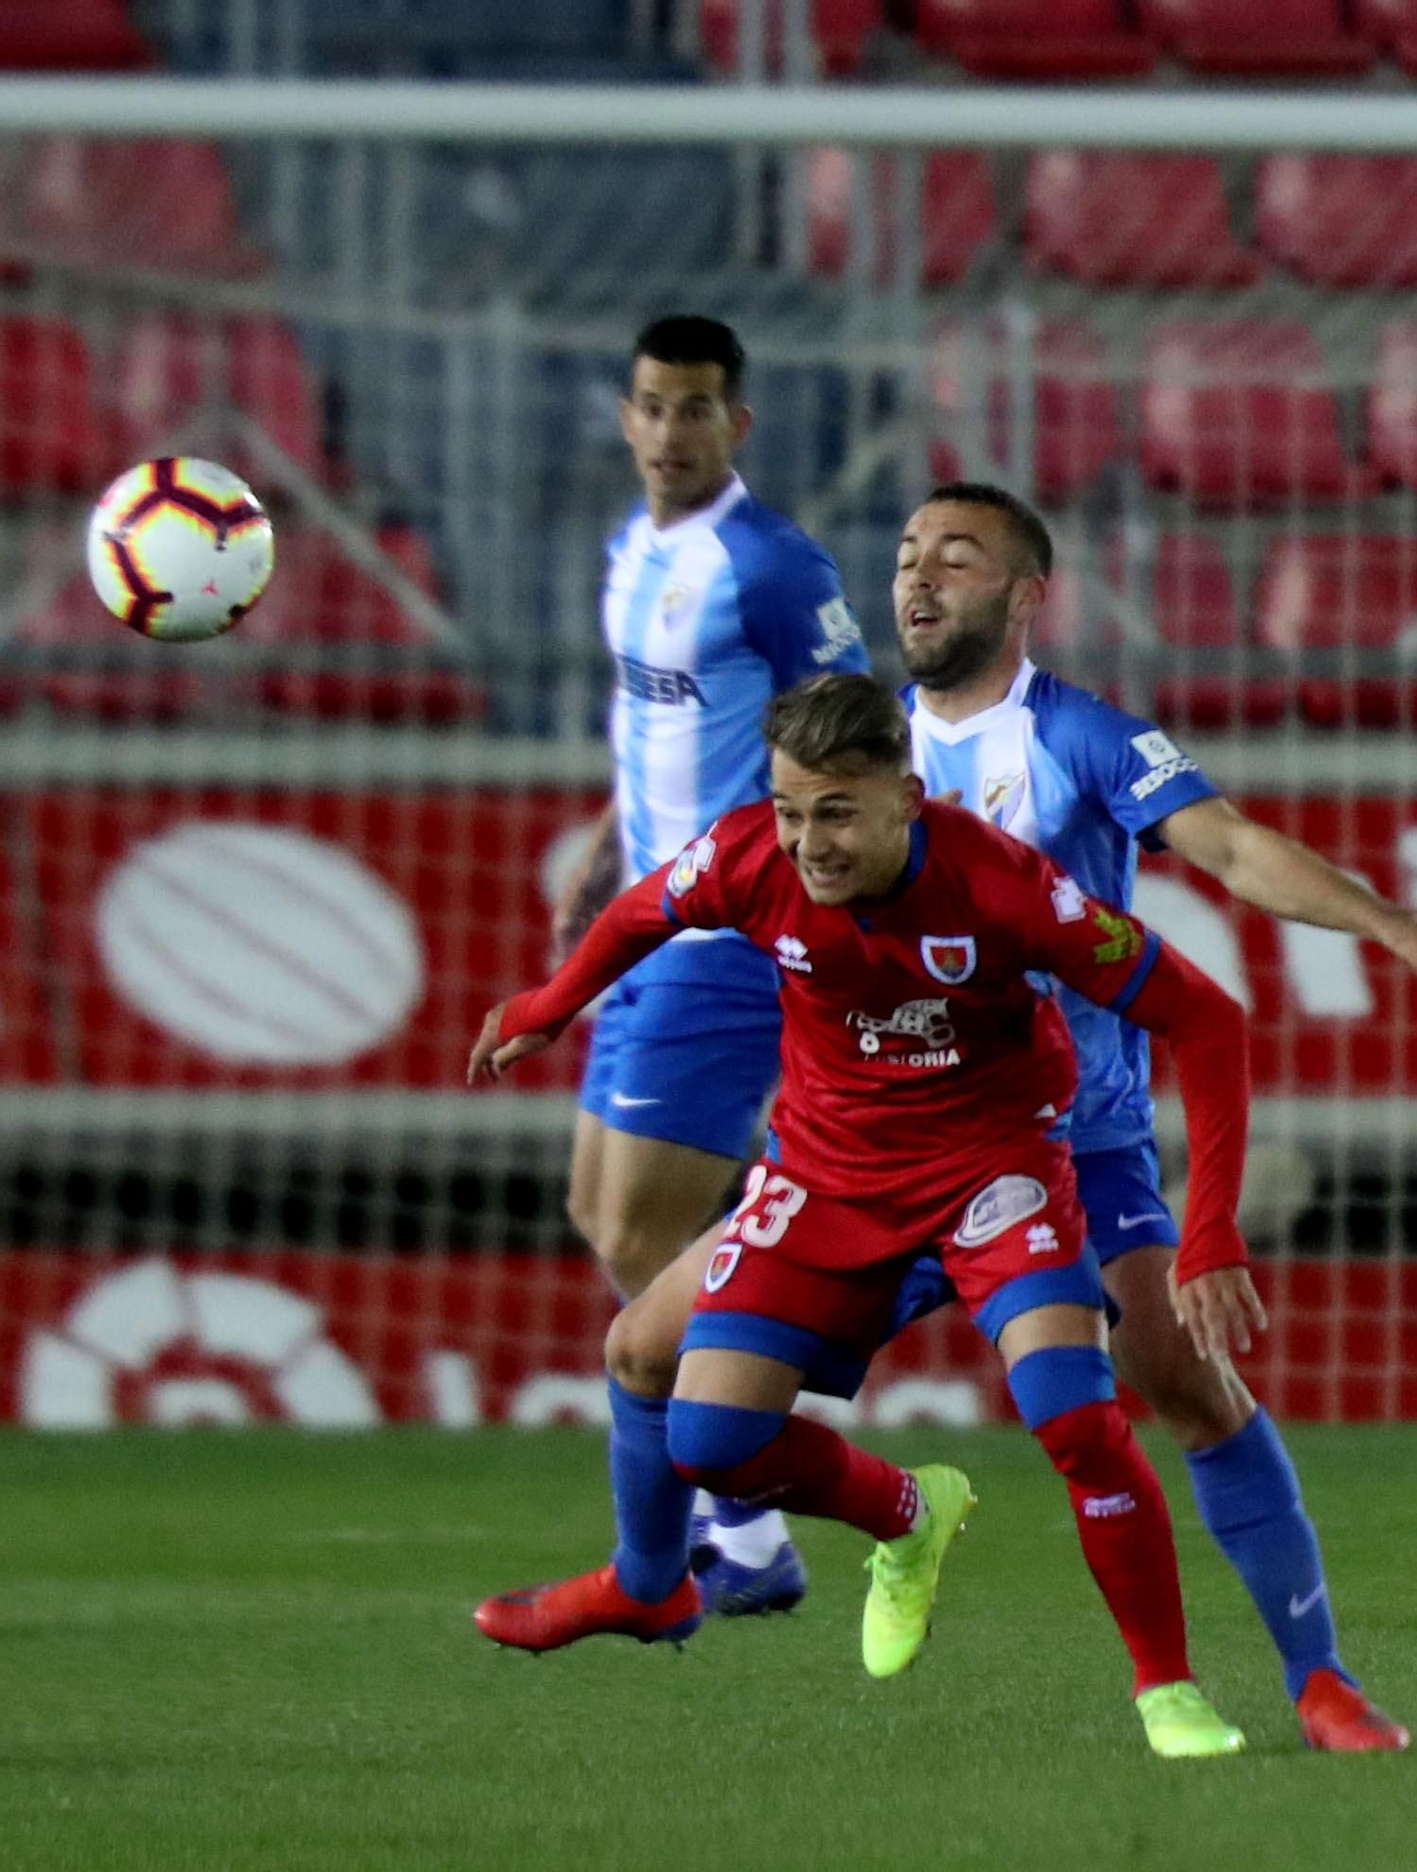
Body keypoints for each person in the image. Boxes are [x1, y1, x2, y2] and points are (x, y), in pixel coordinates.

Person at [561, 482, 1417, 1754]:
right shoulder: (862, 752)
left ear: (1026, 596)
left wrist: (1393, 925)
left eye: (958, 560)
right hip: (867, 1156)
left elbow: (1235, 850)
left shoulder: (1075, 737)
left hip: (1062, 1152)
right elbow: (737, 853)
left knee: (1188, 1394)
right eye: (910, 555)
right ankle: (663, 1581)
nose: (919, 580)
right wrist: (616, 842)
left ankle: (1319, 1682)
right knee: (646, 1350)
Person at [470, 672, 1259, 1759]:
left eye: (836, 812)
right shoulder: (753, 857)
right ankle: (903, 1515)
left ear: (906, 794)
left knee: (1075, 1419)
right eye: (792, 811)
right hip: (829, 1178)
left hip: (994, 1172)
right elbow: (643, 907)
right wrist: (549, 1004)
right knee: (704, 1435)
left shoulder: (1003, 886)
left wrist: (1207, 1225)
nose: (808, 843)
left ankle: (1168, 1692)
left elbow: (1205, 1022)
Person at [553, 314, 869, 1614]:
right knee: (601, 1213)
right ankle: (747, 1504)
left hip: (732, 930)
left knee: (639, 1223)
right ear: (624, 418)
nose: (671, 432)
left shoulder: (774, 566)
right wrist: (603, 834)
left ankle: (753, 1510)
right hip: (645, 913)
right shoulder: (633, 552)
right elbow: (657, 727)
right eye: (652, 406)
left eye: (697, 410)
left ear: (736, 424)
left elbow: (854, 730)